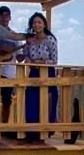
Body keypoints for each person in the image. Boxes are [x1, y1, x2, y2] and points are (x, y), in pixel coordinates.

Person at [21, 12, 59, 141]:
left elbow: (54, 60)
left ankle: (46, 132)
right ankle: (32, 132)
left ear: (44, 24)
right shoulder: (30, 41)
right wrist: (28, 61)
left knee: (47, 101)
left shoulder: (50, 40)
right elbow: (24, 55)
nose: (36, 25)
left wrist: (41, 63)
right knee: (31, 101)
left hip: (48, 73)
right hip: (33, 74)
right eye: (34, 23)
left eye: (39, 22)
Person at [0, 5, 23, 124]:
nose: (4, 18)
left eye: (7, 15)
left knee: (7, 100)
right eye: (2, 15)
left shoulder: (15, 36)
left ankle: (4, 126)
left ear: (10, 17)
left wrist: (27, 47)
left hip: (9, 73)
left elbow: (20, 57)